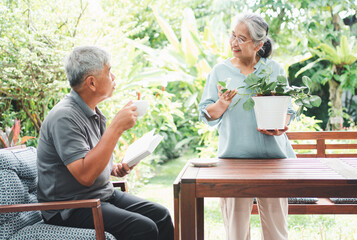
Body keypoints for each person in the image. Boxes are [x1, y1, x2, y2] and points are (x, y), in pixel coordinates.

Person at [37, 46, 174, 240]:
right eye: (109, 71)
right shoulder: (64, 117)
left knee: (161, 216)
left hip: (99, 196)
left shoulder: (91, 112)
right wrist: (116, 128)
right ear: (91, 83)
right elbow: (85, 175)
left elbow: (87, 158)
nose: (114, 76)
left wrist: (114, 168)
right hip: (70, 208)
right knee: (143, 228)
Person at [198, 13, 296, 240]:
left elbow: (288, 111)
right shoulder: (220, 72)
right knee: (236, 234)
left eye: (242, 38)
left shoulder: (274, 69)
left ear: (259, 44)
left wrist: (282, 126)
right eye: (233, 36)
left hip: (274, 161)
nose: (234, 42)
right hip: (233, 162)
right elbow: (206, 114)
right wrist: (221, 104)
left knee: (277, 234)